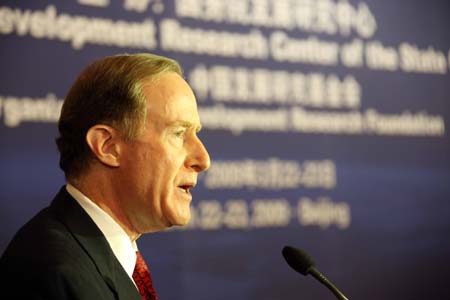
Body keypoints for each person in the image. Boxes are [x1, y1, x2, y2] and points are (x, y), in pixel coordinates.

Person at [0, 53, 211, 299]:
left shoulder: (103, 257)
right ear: (108, 146)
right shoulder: (53, 274)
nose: (203, 159)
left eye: (195, 133)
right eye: (178, 133)